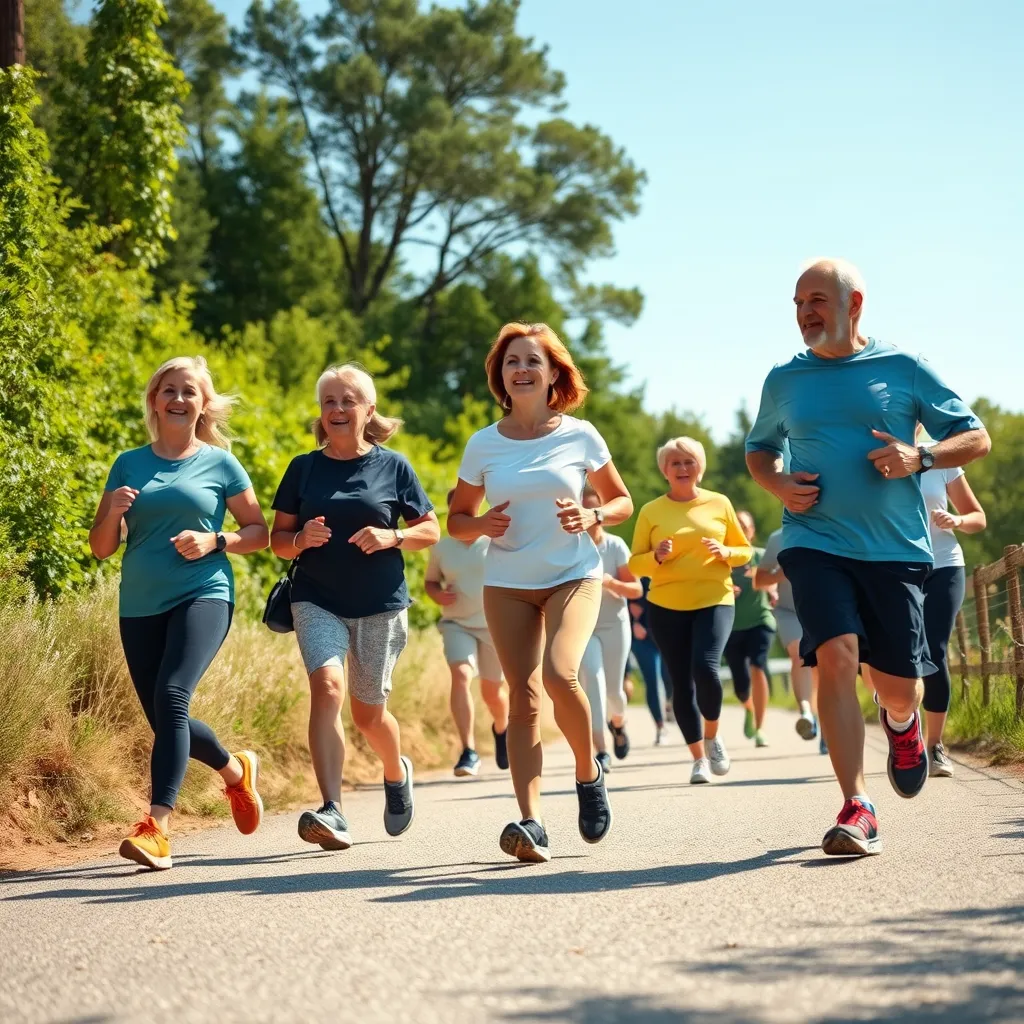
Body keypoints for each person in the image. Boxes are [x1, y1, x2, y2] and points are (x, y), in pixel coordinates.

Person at [746, 258, 990, 857]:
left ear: (854, 305)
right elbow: (759, 450)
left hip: (895, 549)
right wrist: (778, 486)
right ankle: (858, 804)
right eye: (799, 301)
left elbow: (976, 436)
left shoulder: (903, 368)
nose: (806, 311)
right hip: (814, 538)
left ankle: (901, 723)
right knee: (835, 654)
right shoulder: (784, 379)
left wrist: (922, 457)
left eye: (819, 300)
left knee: (899, 684)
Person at [448, 321, 633, 863]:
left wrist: (592, 512)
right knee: (522, 698)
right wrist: (480, 525)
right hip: (506, 583)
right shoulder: (482, 443)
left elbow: (621, 501)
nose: (522, 369)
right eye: (511, 362)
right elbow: (456, 520)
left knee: (560, 674)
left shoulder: (579, 434)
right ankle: (530, 823)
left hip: (572, 575)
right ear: (500, 377)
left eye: (532, 361)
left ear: (553, 373)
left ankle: (588, 771)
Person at [89, 356, 269, 871]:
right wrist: (114, 513)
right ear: (154, 400)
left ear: (203, 403)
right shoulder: (128, 463)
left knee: (172, 695)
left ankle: (157, 829)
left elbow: (258, 532)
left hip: (204, 592)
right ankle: (236, 771)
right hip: (140, 603)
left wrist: (217, 540)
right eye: (168, 390)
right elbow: (101, 548)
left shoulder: (220, 464)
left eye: (189, 391)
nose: (178, 399)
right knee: (168, 717)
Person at [270, 365, 440, 851]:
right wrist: (301, 538)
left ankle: (395, 768)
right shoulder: (304, 468)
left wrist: (394, 535)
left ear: (369, 410)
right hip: (316, 598)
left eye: (348, 401)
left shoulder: (394, 466)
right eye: (329, 402)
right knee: (326, 687)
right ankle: (332, 809)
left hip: (379, 605)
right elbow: (278, 541)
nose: (338, 410)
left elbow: (431, 530)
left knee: (369, 715)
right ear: (321, 414)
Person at [629, 437, 753, 784]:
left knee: (706, 667)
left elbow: (744, 551)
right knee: (680, 683)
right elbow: (635, 564)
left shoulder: (719, 502)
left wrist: (725, 552)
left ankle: (712, 735)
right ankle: (698, 758)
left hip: (715, 598)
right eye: (675, 463)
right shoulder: (652, 511)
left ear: (700, 466)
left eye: (689, 462)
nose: (683, 469)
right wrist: (656, 556)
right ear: (664, 470)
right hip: (666, 605)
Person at [916, 425, 987, 776]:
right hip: (896, 567)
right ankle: (903, 726)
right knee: (899, 652)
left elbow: (977, 517)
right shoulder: (874, 458)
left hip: (944, 564)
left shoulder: (939, 456)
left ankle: (935, 745)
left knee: (935, 649)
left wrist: (956, 520)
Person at [425, 488, 510, 778]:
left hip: (494, 626)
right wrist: (438, 596)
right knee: (460, 675)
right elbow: (431, 582)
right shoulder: (441, 547)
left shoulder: (496, 541)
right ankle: (468, 750)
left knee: (492, 693)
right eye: (457, 513)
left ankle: (502, 728)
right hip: (457, 624)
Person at [578, 485, 643, 772]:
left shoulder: (615, 546)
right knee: (592, 679)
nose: (587, 516)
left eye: (593, 510)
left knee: (615, 692)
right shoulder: (569, 545)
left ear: (601, 514)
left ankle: (619, 724)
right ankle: (601, 751)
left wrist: (610, 582)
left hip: (614, 624)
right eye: (583, 510)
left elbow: (636, 589)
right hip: (583, 625)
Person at [754, 526, 827, 755]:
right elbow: (759, 580)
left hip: (822, 609)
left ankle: (826, 727)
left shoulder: (826, 528)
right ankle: (805, 712)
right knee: (799, 654)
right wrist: (779, 574)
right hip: (789, 611)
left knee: (823, 669)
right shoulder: (778, 538)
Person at [724, 510, 777, 748]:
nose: (741, 530)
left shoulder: (761, 557)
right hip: (732, 627)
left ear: (752, 531)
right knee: (741, 687)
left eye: (745, 526)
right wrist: (724, 589)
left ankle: (760, 728)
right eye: (737, 526)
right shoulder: (722, 561)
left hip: (760, 621)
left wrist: (772, 590)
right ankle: (747, 706)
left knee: (758, 665)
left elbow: (775, 582)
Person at [629, 580, 672, 743]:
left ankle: (669, 703)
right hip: (642, 638)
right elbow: (627, 599)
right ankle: (660, 727)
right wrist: (634, 623)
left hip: (667, 634)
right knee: (653, 680)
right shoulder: (636, 567)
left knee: (671, 678)